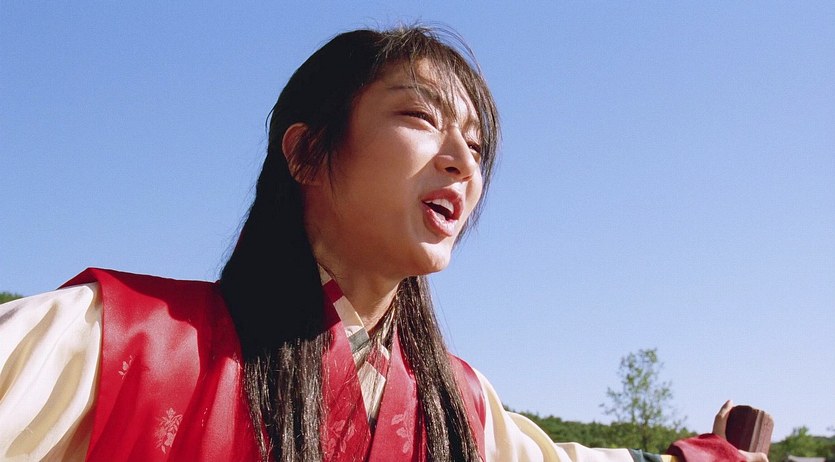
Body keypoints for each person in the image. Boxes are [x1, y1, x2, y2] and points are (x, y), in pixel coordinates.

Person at [0, 25, 766, 462]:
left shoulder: (460, 405)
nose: (463, 161)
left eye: (476, 146)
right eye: (420, 118)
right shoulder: (111, 343)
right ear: (306, 152)